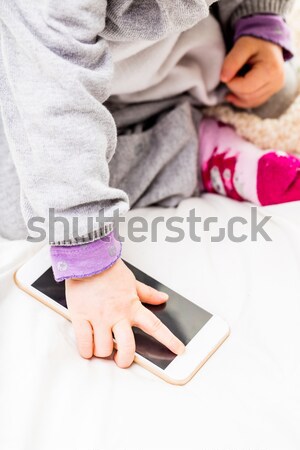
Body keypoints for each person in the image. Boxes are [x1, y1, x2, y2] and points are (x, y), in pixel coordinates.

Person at [0, 0, 297, 368]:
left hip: (181, 56)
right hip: (48, 71)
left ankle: (180, 121)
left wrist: (257, 19)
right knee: (21, 203)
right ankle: (191, 151)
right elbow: (49, 79)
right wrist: (86, 250)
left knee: (278, 87)